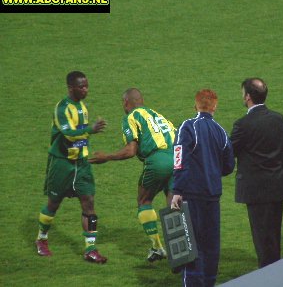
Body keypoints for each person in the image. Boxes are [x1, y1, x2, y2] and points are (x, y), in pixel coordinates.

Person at [89, 87, 176, 262]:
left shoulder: (131, 117)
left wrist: (106, 157)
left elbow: (130, 151)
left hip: (158, 160)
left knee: (144, 201)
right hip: (178, 159)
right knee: (174, 205)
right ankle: (181, 252)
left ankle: (157, 248)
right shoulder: (158, 115)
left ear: (126, 103)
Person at [35, 70, 108, 263]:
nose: (86, 90)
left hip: (81, 165)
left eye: (87, 86)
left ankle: (91, 249)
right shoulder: (62, 108)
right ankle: (41, 239)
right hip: (62, 164)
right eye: (81, 86)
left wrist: (85, 150)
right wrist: (90, 129)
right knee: (53, 203)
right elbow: (69, 134)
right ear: (71, 87)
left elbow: (80, 136)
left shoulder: (82, 107)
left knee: (89, 204)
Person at [171, 89, 235, 287]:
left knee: (191, 246)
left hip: (191, 196)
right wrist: (213, 171)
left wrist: (177, 190)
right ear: (215, 106)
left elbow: (179, 160)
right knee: (211, 246)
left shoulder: (187, 127)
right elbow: (229, 165)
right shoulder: (221, 132)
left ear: (195, 105)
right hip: (212, 197)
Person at [230, 78, 283, 268]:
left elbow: (229, 153)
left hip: (256, 191)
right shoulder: (278, 119)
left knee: (263, 242)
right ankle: (276, 275)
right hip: (277, 187)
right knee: (273, 238)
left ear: (248, 97)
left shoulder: (243, 124)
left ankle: (269, 278)